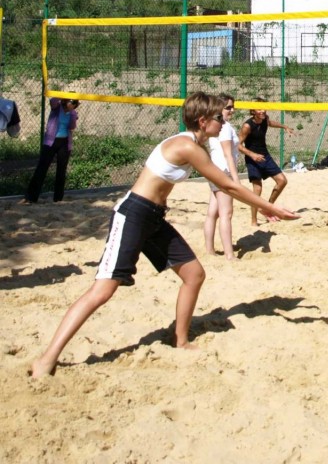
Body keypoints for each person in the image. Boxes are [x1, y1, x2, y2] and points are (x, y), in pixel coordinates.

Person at [30, 92, 299, 379]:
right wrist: (271, 208)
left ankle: (180, 340)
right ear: (202, 120)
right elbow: (229, 187)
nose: (224, 121)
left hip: (154, 217)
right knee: (103, 291)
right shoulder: (187, 146)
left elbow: (227, 184)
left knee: (194, 275)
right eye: (219, 117)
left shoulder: (195, 143)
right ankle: (47, 359)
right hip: (133, 215)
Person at [238, 100, 294, 226]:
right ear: (253, 111)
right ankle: (253, 221)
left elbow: (270, 123)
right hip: (253, 159)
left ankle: (268, 208)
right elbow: (238, 145)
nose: (262, 111)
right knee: (257, 189)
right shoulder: (247, 126)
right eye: (259, 109)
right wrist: (252, 155)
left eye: (264, 108)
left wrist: (284, 126)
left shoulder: (264, 119)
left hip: (265, 156)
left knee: (282, 181)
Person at [204, 94, 239, 260]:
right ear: (219, 109)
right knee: (226, 213)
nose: (232, 110)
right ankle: (229, 254)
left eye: (233, 107)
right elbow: (228, 155)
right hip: (223, 171)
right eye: (228, 107)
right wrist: (236, 180)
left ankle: (210, 250)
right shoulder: (224, 127)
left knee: (213, 212)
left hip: (213, 170)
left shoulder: (216, 125)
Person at [25, 98, 80, 203]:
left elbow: (72, 127)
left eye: (75, 103)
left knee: (61, 171)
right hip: (51, 141)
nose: (74, 104)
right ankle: (31, 197)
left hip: (64, 143)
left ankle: (58, 198)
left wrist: (72, 115)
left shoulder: (73, 113)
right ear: (66, 101)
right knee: (42, 168)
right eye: (72, 102)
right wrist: (63, 95)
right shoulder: (57, 107)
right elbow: (52, 100)